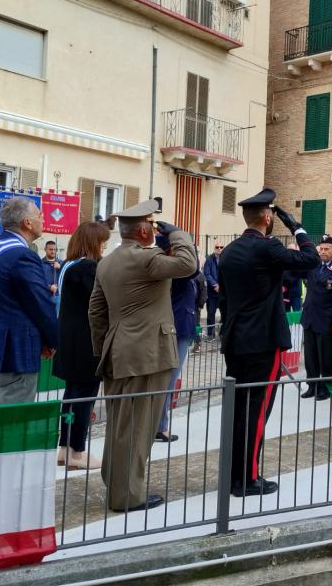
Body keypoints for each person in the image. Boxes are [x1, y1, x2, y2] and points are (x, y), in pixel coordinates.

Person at [89, 200, 196, 512]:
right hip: (147, 353)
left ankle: (117, 481)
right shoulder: (146, 259)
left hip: (118, 352)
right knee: (139, 427)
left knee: (120, 424)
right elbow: (188, 265)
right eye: (153, 223)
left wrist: (104, 348)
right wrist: (178, 235)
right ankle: (127, 496)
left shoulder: (106, 262)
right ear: (144, 230)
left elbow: (95, 311)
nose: (156, 228)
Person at [218, 188, 319, 497]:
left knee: (238, 410)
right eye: (273, 215)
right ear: (267, 217)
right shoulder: (266, 247)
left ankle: (233, 474)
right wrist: (297, 227)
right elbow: (311, 259)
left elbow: (225, 298)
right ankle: (246, 479)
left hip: (235, 340)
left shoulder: (230, 250)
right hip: (262, 341)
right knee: (257, 411)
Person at [0, 197, 58, 405]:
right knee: (11, 426)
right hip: (12, 352)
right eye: (40, 215)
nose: (43, 219)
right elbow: (40, 303)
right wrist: (52, 340)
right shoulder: (22, 255)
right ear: (27, 223)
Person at [54, 221, 111, 471]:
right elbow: (100, 302)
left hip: (69, 339)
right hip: (86, 341)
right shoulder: (89, 268)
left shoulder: (70, 265)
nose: (104, 246)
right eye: (102, 241)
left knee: (71, 396)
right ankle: (77, 450)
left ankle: (65, 447)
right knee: (84, 398)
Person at [153, 234, 199, 443]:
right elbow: (194, 268)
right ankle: (160, 426)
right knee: (168, 380)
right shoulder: (175, 270)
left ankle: (158, 424)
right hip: (176, 330)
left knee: (167, 379)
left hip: (181, 328)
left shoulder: (170, 268)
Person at [300, 235, 332, 400]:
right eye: (321, 249)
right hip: (310, 318)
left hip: (328, 321)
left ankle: (326, 387)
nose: (323, 252)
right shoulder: (314, 265)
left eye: (326, 249)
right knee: (311, 356)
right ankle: (312, 386)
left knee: (327, 357)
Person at [203, 241, 223, 339]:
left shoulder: (225, 259)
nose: (219, 248)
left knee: (225, 313)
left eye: (221, 247)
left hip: (223, 292)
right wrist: (215, 285)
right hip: (212, 293)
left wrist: (222, 286)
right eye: (217, 247)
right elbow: (207, 274)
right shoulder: (209, 260)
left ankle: (222, 333)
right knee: (211, 314)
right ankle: (210, 335)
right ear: (214, 248)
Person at [281, 243, 304, 312]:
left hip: (296, 294)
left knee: (297, 315)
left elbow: (296, 277)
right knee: (285, 316)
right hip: (285, 294)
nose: (291, 252)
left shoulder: (299, 261)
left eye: (292, 250)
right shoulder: (283, 262)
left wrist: (286, 283)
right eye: (289, 250)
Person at [191, 267, 207, 354]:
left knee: (196, 324)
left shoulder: (200, 276)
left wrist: (201, 304)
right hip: (189, 303)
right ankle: (191, 342)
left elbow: (204, 291)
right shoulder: (189, 274)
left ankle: (198, 343)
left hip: (196, 304)